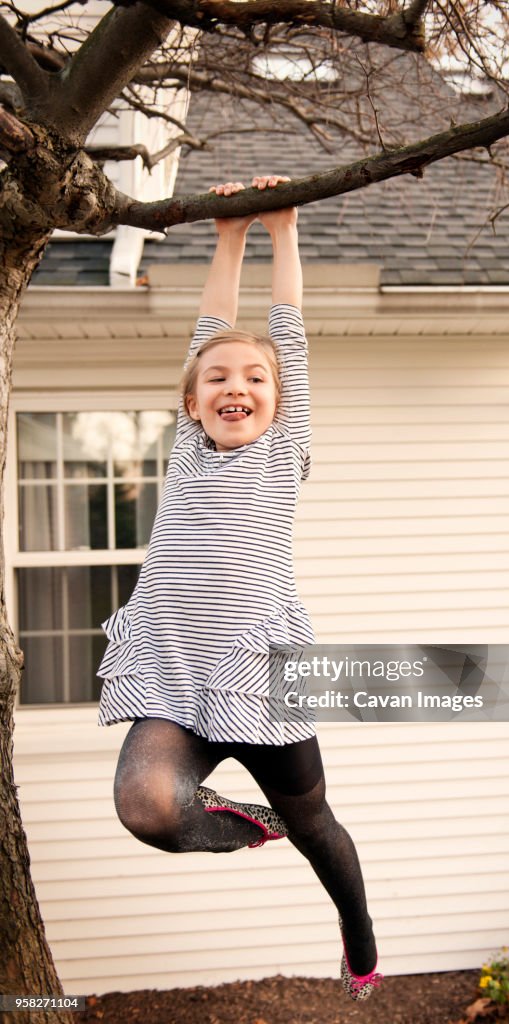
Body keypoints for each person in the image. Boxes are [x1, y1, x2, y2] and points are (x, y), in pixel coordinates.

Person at [97, 174, 382, 1002]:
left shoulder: (280, 454)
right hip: (176, 674)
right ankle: (242, 827)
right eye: (218, 379)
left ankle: (358, 937)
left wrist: (279, 230)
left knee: (315, 823)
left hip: (258, 673)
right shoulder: (188, 454)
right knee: (146, 806)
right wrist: (227, 237)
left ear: (277, 404)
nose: (237, 388)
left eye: (255, 381)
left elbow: (284, 339)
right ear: (191, 404)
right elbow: (209, 330)